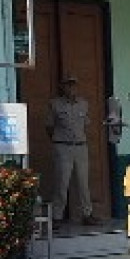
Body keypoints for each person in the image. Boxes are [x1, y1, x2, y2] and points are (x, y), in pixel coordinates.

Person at [47, 75, 97, 226]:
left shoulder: (83, 104)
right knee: (62, 183)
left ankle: (87, 214)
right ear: (62, 87)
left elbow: (86, 123)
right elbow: (49, 126)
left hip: (81, 147)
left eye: (73, 85)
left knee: (83, 183)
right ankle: (57, 217)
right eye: (67, 85)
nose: (71, 88)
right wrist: (58, 141)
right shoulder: (55, 105)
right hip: (63, 147)